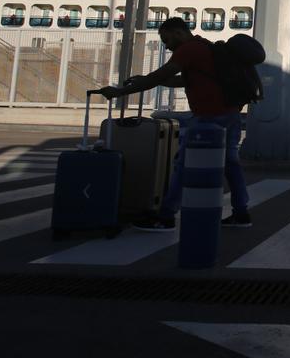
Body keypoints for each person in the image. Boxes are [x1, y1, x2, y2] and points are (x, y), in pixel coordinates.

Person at [97, 16, 251, 231]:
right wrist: (146, 79)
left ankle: (166, 215)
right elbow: (182, 80)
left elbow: (161, 75)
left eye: (167, 39)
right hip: (230, 114)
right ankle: (241, 212)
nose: (167, 46)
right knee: (230, 164)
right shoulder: (204, 47)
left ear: (179, 32)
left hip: (208, 118)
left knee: (184, 164)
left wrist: (120, 92)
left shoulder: (188, 50)